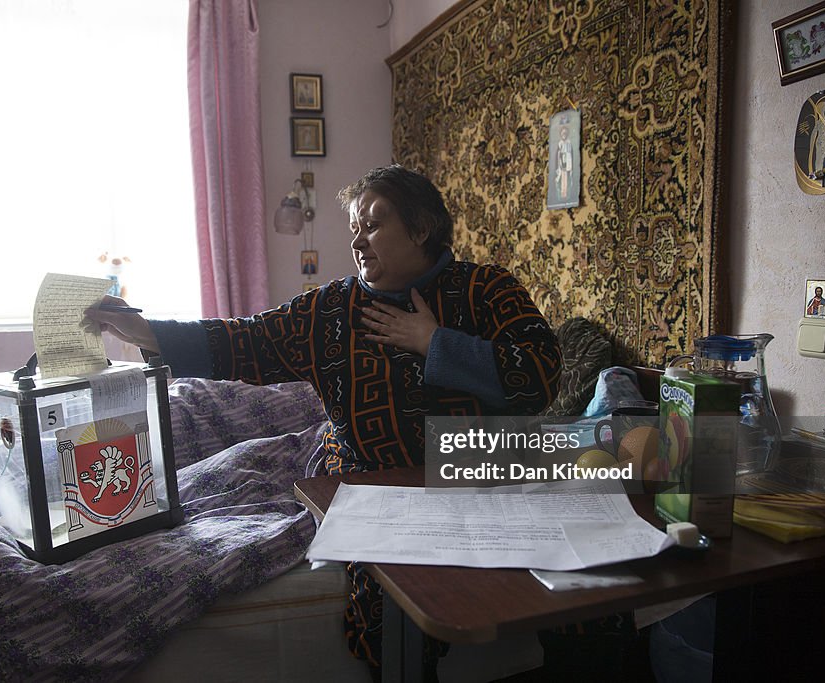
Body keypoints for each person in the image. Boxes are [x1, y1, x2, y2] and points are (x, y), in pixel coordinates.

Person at [87, 164, 563, 677]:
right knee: (386, 617)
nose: (358, 240)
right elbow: (246, 341)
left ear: (422, 229)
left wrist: (433, 342)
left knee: (587, 601)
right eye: (355, 227)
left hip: (479, 476)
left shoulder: (485, 289)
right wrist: (142, 331)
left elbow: (541, 374)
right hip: (376, 488)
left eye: (374, 224)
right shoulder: (331, 310)